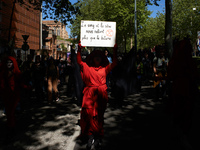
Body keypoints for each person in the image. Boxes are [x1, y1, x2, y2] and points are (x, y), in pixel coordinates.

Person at [77, 42, 117, 150]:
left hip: (101, 95)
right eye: (96, 56)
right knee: (89, 117)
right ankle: (90, 137)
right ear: (93, 58)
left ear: (102, 58)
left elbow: (114, 64)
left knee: (99, 117)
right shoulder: (87, 67)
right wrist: (79, 49)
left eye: (99, 56)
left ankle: (98, 137)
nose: (98, 58)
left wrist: (115, 50)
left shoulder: (105, 68)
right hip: (89, 95)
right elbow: (79, 61)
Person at [168, 39, 199, 149]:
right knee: (185, 114)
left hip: (180, 89)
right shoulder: (188, 61)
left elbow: (170, 74)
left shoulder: (175, 60)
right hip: (186, 90)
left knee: (180, 113)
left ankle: (179, 134)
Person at [0, 56, 31, 134]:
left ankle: (11, 126)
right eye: (7, 62)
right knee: (8, 111)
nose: (9, 64)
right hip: (6, 95)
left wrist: (28, 87)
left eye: (10, 62)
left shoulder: (17, 73)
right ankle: (10, 125)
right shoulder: (3, 73)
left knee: (11, 111)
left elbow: (21, 84)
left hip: (14, 95)